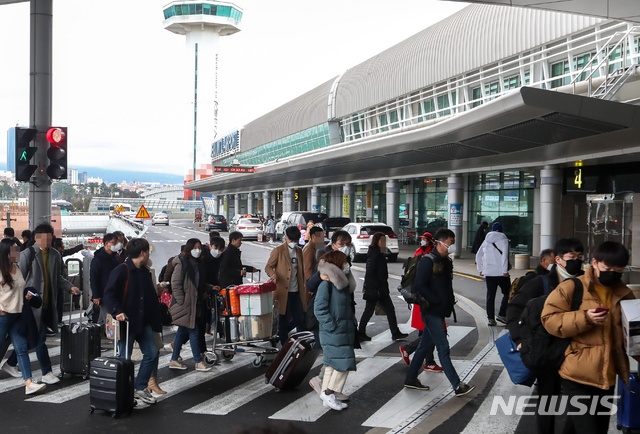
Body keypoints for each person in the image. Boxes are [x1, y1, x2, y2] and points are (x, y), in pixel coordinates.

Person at [542, 241, 638, 434]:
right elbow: (549, 319)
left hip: (608, 376)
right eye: (607, 268)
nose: (613, 273)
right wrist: (585, 317)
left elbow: (631, 334)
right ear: (594, 263)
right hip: (577, 374)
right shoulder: (572, 287)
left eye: (618, 270)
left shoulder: (625, 294)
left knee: (586, 428)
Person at [507, 238, 584, 434]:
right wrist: (519, 340)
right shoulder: (540, 283)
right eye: (572, 257)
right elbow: (515, 309)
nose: (577, 261)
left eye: (580, 257)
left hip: (577, 351)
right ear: (558, 259)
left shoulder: (586, 282)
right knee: (548, 401)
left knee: (581, 402)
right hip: (548, 352)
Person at [3, 223, 80, 385]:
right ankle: (46, 372)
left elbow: (58, 277)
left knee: (25, 338)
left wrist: (70, 287)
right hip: (28, 306)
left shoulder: (55, 255)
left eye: (49, 238)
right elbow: (18, 279)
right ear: (36, 238)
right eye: (42, 238)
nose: (46, 241)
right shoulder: (26, 254)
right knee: (38, 338)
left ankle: (10, 364)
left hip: (46, 303)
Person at [404, 228, 475, 397]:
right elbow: (420, 285)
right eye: (449, 242)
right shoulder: (427, 261)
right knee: (443, 347)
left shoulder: (445, 261)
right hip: (431, 311)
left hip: (440, 310)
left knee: (424, 346)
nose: (451, 246)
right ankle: (457, 386)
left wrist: (447, 302)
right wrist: (436, 300)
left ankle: (410, 379)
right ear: (440, 242)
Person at [103, 238, 162, 406]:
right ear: (143, 253)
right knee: (125, 360)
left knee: (152, 353)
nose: (149, 255)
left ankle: (140, 388)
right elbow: (109, 293)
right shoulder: (122, 270)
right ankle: (124, 392)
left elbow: (149, 297)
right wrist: (117, 311)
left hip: (143, 322)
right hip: (127, 323)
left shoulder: (144, 271)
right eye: (148, 252)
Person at [0, 240, 46, 395]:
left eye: (17, 250)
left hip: (18, 315)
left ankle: (29, 383)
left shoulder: (17, 268)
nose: (17, 253)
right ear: (5, 253)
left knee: (22, 348)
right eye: (14, 250)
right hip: (4, 316)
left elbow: (20, 288)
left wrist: (26, 296)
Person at [314, 250, 357, 411]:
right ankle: (327, 392)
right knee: (344, 363)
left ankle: (328, 397)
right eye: (344, 262)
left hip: (341, 331)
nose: (347, 265)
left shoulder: (339, 285)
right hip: (334, 332)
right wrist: (332, 326)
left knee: (332, 364)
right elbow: (319, 309)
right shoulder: (326, 285)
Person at [168, 238, 212, 372]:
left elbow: (197, 283)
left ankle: (174, 359)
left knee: (182, 332)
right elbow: (175, 284)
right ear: (189, 248)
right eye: (195, 247)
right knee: (194, 331)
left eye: (199, 247)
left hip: (194, 303)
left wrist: (208, 288)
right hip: (186, 304)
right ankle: (198, 361)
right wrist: (181, 300)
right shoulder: (182, 263)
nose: (197, 250)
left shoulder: (196, 264)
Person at [400, 231, 441, 372]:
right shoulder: (429, 256)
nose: (422, 241)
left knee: (425, 331)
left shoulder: (419, 252)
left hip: (420, 299)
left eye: (424, 239)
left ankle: (427, 361)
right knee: (432, 332)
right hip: (427, 299)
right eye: (422, 239)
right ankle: (412, 351)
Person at [358, 232, 408, 341]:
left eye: (385, 240)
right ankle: (361, 331)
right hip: (376, 289)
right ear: (377, 241)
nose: (384, 243)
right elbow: (370, 271)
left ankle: (395, 332)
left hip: (380, 288)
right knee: (370, 310)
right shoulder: (375, 253)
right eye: (382, 240)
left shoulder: (379, 253)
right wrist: (375, 286)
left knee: (389, 309)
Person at [265, 226, 307, 345]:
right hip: (282, 290)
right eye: (291, 240)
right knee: (282, 318)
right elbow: (268, 266)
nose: (293, 243)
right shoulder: (278, 251)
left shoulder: (299, 251)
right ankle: (283, 341)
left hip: (296, 290)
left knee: (299, 317)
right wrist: (273, 274)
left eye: (296, 240)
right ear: (286, 238)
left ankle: (279, 334)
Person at [476, 222, 511, 326]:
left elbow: (478, 255)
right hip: (500, 273)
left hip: (488, 273)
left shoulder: (486, 240)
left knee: (490, 296)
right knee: (508, 293)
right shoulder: (504, 240)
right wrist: (505, 271)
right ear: (501, 230)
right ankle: (502, 314)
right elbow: (505, 256)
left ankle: (491, 319)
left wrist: (480, 269)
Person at [90, 233, 121, 328]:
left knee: (102, 320)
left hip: (116, 291)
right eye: (113, 243)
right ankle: (112, 338)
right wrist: (96, 295)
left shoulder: (116, 258)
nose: (116, 245)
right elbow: (94, 278)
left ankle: (94, 335)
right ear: (106, 243)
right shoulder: (98, 259)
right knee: (109, 318)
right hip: (103, 293)